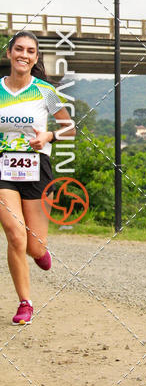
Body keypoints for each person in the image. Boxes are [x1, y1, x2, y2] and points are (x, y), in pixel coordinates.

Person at [0, 31, 75, 324]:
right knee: (15, 235)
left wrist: (49, 135)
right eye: (19, 49)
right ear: (9, 53)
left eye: (30, 51)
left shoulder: (45, 91)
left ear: (35, 58)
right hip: (3, 167)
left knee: (34, 245)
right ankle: (25, 302)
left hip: (36, 168)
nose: (24, 55)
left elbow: (69, 128)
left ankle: (41, 252)